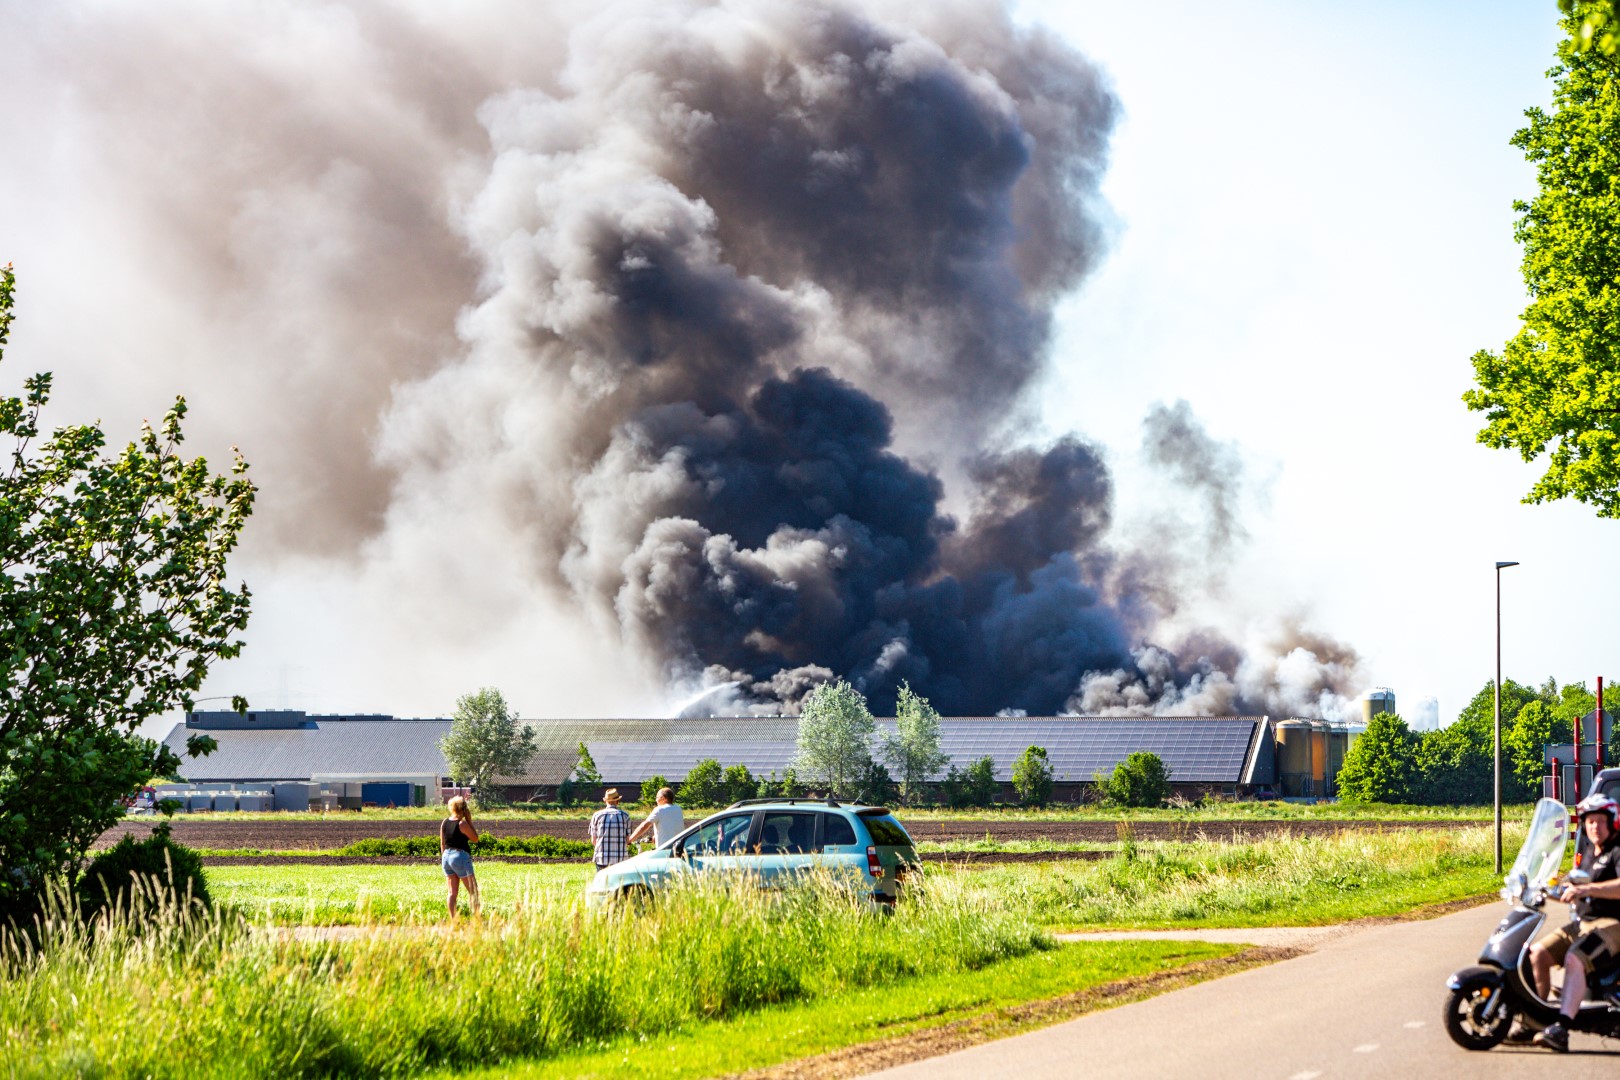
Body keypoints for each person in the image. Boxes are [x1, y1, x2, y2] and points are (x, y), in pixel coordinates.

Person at [1528, 793, 1620, 1051]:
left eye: (1601, 821)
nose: (1594, 827)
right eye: (1590, 821)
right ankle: (1535, 1024)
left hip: (1613, 924)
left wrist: (1587, 889)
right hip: (1583, 921)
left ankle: (1562, 1029)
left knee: (1574, 959)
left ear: (1612, 822)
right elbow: (1575, 887)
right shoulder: (1590, 852)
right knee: (1538, 954)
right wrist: (1546, 889)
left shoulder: (1617, 851)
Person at [439, 795, 481, 917]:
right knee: (474, 891)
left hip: (446, 857)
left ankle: (453, 920)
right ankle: (477, 919)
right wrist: (469, 821)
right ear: (463, 809)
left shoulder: (444, 822)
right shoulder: (462, 824)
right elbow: (475, 838)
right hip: (459, 856)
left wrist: (444, 857)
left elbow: (442, 843)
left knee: (452, 892)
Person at [589, 788, 632, 870]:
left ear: (605, 801)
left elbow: (593, 841)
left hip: (601, 858)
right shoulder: (625, 816)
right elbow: (628, 840)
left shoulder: (597, 815)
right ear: (617, 801)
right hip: (620, 859)